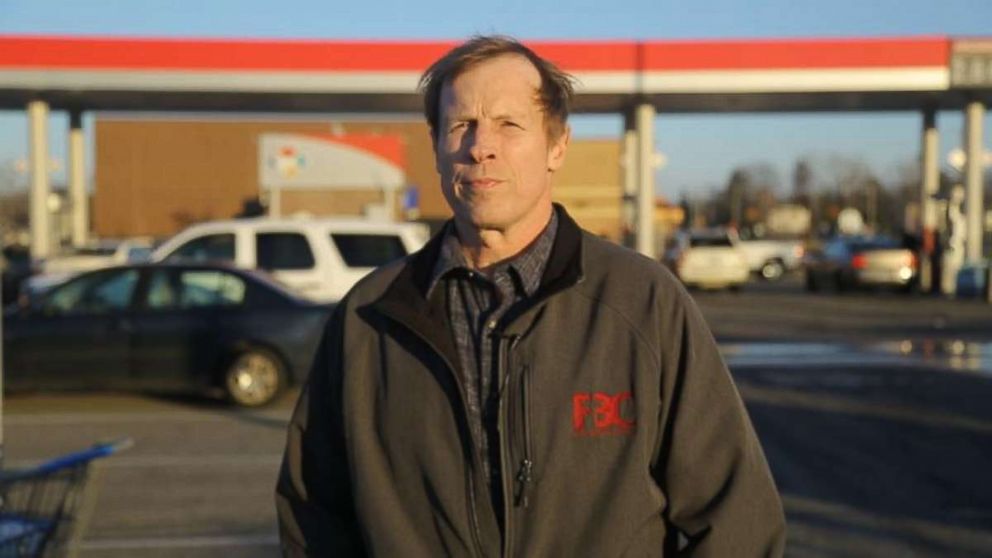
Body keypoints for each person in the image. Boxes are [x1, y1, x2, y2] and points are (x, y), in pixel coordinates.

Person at [276, 35, 786, 557]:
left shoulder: (643, 304)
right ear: (436, 146)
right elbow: (313, 512)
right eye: (461, 125)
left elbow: (735, 520)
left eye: (508, 124)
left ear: (557, 145)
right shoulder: (369, 319)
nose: (481, 146)